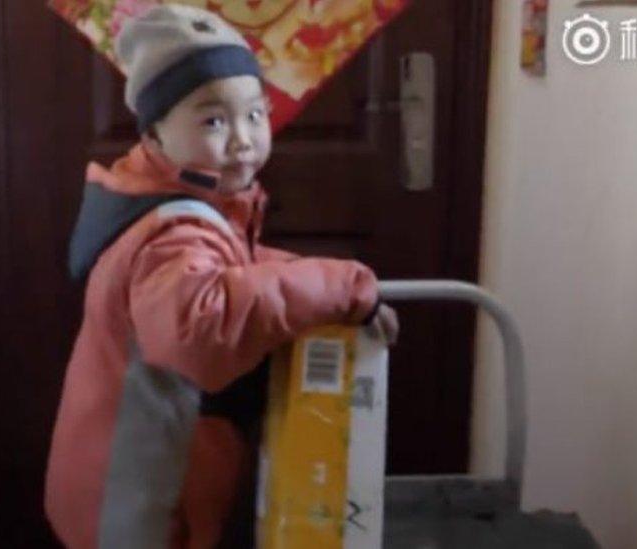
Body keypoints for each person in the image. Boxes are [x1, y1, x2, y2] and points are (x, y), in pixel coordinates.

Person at [44, 5, 398, 548]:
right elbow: (204, 325)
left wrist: (320, 282)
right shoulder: (173, 233)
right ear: (156, 133)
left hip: (121, 480)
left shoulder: (167, 198)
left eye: (255, 115)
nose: (243, 140)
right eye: (213, 120)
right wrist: (343, 287)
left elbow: (234, 268)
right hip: (139, 506)